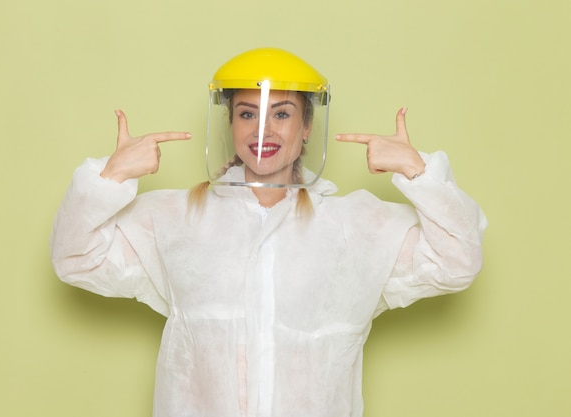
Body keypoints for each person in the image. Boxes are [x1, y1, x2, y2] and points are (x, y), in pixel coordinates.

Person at [50, 47, 487, 417]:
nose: (263, 131)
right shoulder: (176, 218)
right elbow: (76, 259)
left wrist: (419, 172)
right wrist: (109, 178)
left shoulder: (354, 225)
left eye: (282, 113)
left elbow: (457, 261)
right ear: (231, 125)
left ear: (307, 127)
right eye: (247, 114)